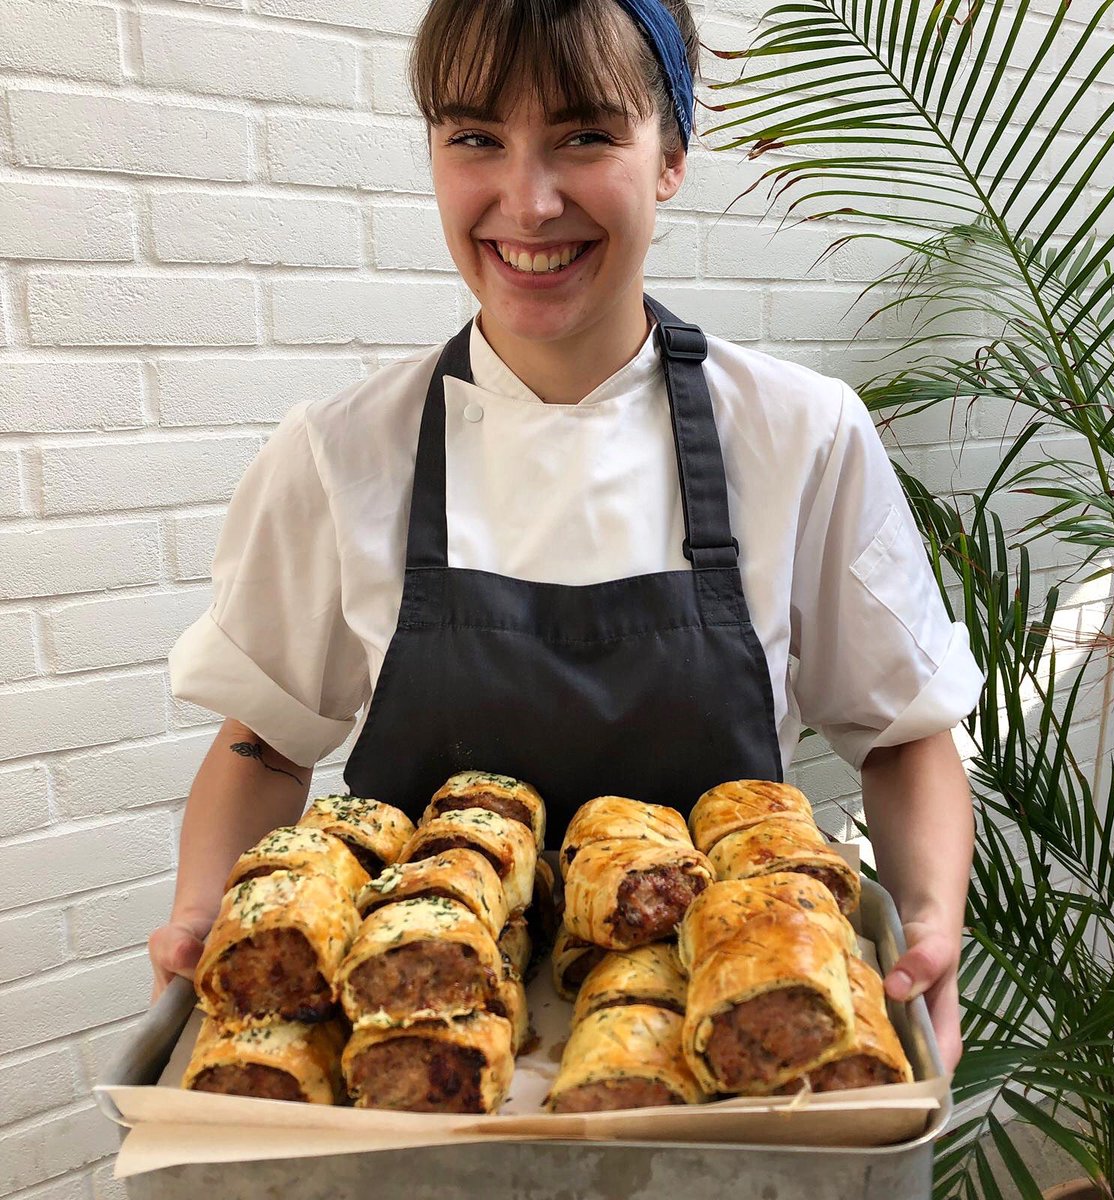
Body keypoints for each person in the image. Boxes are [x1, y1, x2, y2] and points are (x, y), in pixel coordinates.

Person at [148, 0, 983, 1072]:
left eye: (585, 136)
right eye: (475, 140)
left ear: (671, 153)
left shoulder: (798, 435)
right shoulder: (341, 453)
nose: (528, 202)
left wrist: (926, 925)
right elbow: (262, 742)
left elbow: (904, 729)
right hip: (410, 1079)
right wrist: (199, 917)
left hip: (734, 1072)